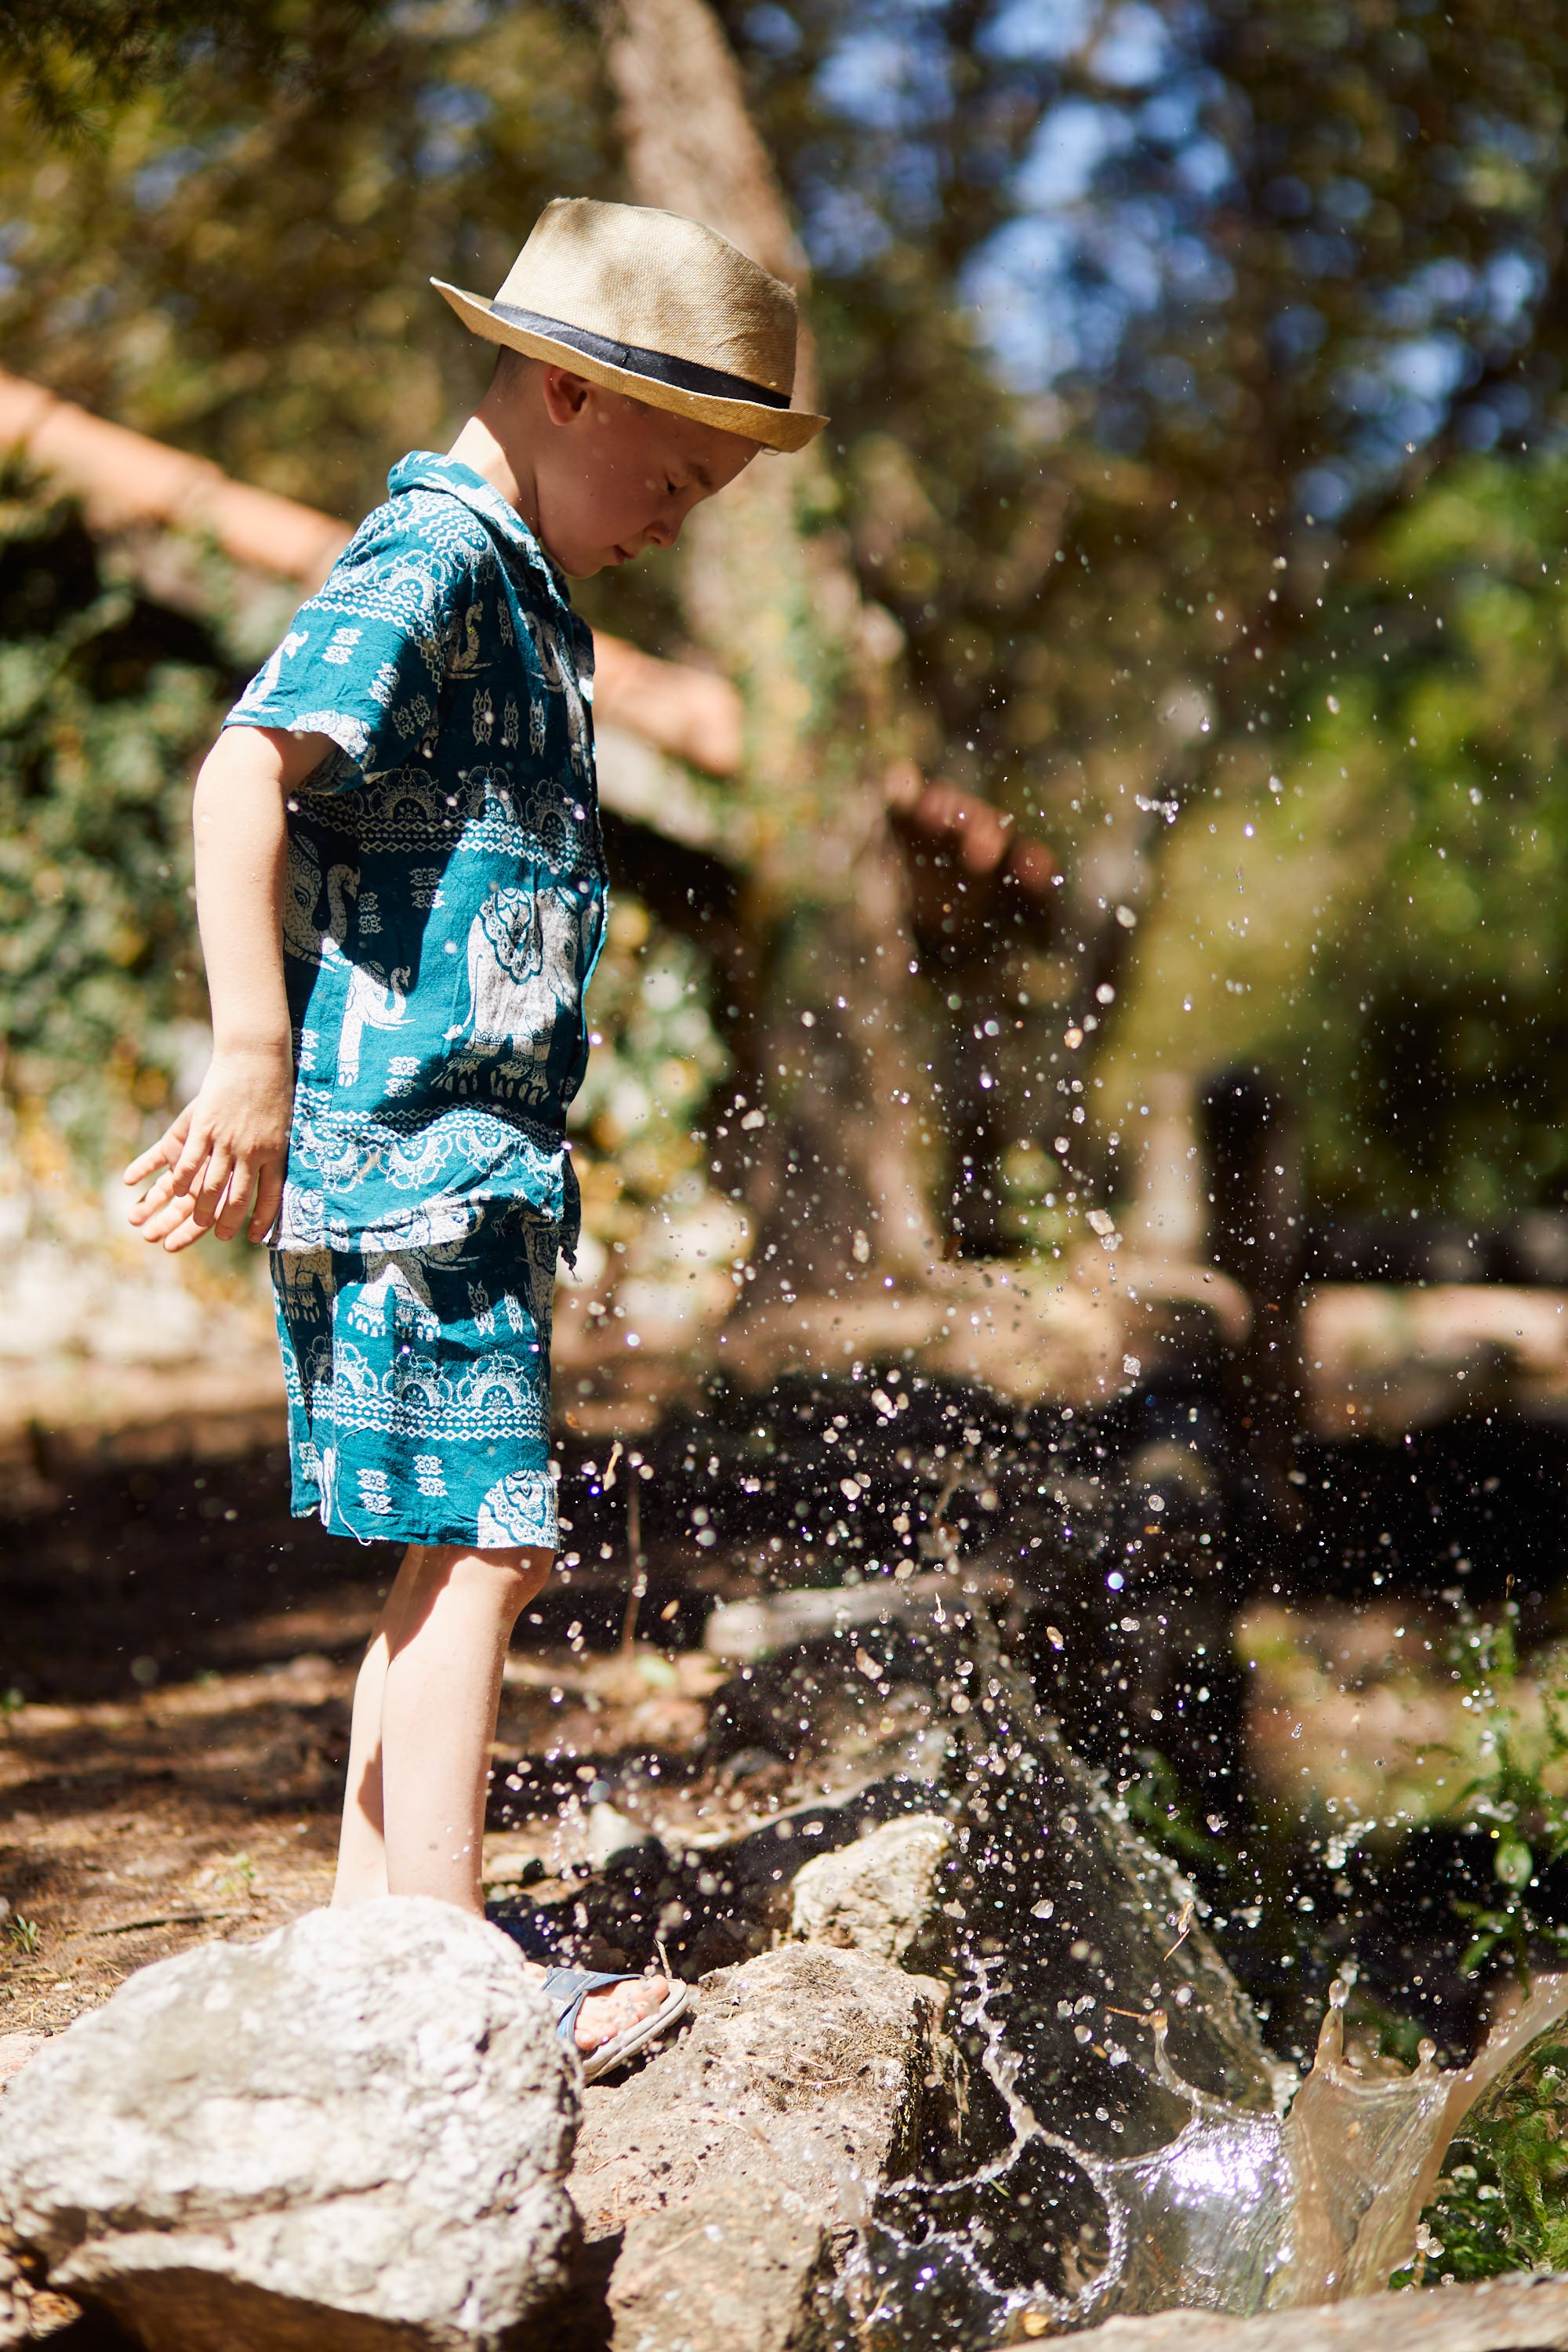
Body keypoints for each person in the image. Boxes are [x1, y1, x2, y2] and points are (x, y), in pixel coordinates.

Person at [124, 197, 825, 2077]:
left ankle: (374, 1948)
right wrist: (250, 1047)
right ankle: (444, 1963)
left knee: (453, 1536)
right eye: (676, 472)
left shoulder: (520, 584)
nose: (681, 515)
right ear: (561, 391)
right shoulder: (430, 555)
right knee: (490, 1539)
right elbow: (241, 770)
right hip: (407, 1151)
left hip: (467, 1155)